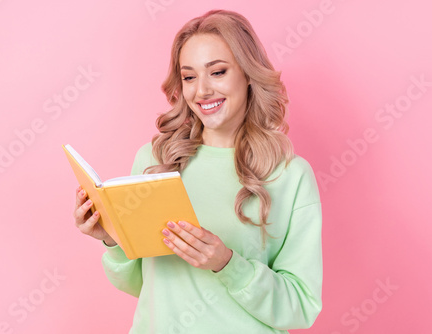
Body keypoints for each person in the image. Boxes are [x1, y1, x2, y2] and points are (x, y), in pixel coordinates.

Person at [73, 9, 322, 333]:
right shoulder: (155, 161)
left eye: (217, 72)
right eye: (189, 76)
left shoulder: (289, 176)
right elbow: (143, 284)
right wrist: (112, 238)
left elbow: (301, 308)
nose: (201, 91)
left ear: (248, 74)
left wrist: (227, 264)